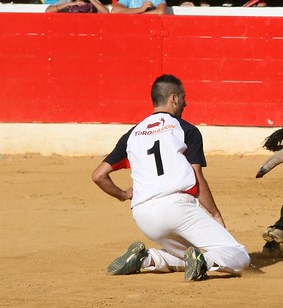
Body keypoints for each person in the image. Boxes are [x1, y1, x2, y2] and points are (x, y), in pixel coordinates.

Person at [92, 74, 250, 281]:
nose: (186, 102)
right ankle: (205, 262)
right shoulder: (187, 130)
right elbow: (196, 176)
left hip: (143, 215)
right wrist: (215, 213)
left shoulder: (131, 135)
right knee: (238, 255)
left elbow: (98, 175)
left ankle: (148, 258)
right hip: (177, 208)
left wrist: (123, 194)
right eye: (183, 97)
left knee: (186, 254)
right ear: (174, 98)